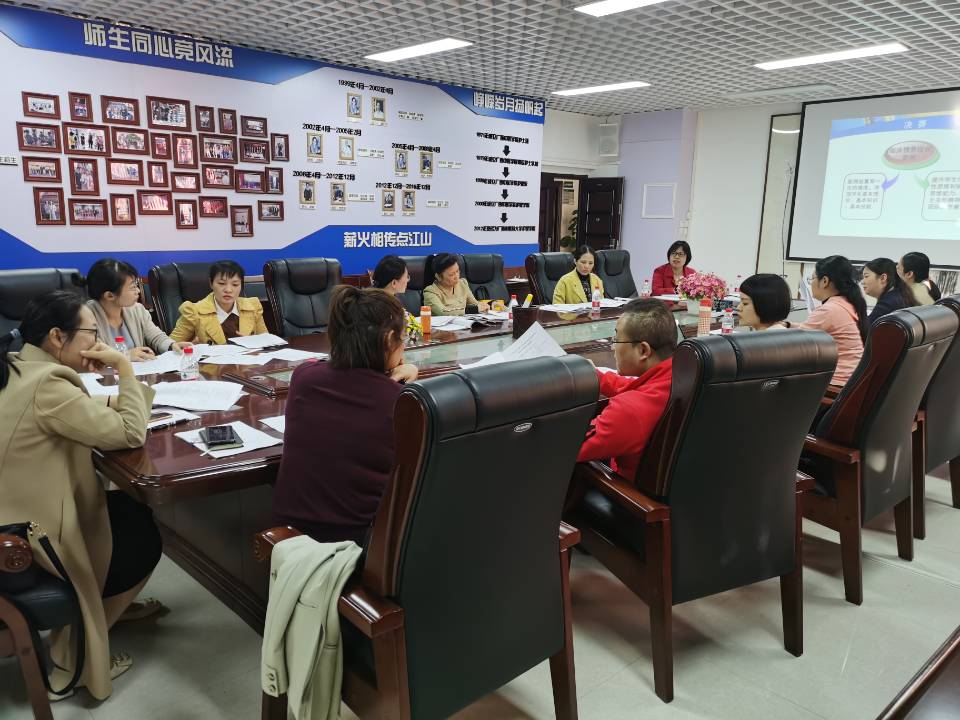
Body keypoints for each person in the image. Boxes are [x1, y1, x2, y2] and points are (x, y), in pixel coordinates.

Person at [0, 291, 162, 700]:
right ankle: (73, 657)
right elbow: (130, 433)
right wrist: (124, 367)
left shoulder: (19, 365)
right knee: (141, 536)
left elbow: (66, 407)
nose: (98, 343)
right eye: (92, 333)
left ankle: (100, 617)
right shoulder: (49, 384)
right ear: (58, 336)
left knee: (127, 514)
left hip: (11, 511)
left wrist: (112, 398)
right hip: (25, 535)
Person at [272, 287, 418, 544]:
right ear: (388, 340)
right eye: (402, 338)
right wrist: (404, 379)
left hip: (292, 534)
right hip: (355, 544)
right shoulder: (398, 401)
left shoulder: (303, 377)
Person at [577, 299, 677, 479]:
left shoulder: (629, 410)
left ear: (643, 350)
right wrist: (595, 376)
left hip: (626, 492)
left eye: (617, 340)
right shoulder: (682, 374)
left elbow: (565, 448)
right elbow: (636, 386)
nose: (612, 347)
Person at [85, 258, 190, 360]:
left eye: (136, 285)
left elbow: (155, 336)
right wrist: (126, 355)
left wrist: (171, 345)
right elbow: (92, 355)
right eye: (132, 287)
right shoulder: (85, 318)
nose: (138, 291)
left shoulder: (137, 309)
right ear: (109, 295)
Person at [790, 256, 867, 386]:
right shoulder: (846, 303)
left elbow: (795, 342)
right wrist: (788, 324)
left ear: (824, 281)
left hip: (835, 385)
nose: (811, 283)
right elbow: (806, 328)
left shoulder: (829, 310)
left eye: (812, 278)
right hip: (850, 381)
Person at [170, 260, 268, 344]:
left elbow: (267, 343)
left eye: (235, 284)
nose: (228, 290)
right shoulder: (193, 311)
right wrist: (192, 347)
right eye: (222, 283)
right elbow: (172, 346)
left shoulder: (252, 307)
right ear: (211, 283)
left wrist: (253, 343)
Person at [422, 253, 490, 315]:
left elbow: (474, 304)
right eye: (451, 275)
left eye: (457, 271)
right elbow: (443, 312)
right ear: (438, 277)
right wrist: (473, 310)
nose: (456, 276)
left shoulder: (462, 284)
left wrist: (484, 306)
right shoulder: (430, 292)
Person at [862, 257, 917, 323]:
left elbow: (865, 327)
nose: (862, 282)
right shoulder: (898, 295)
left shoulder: (887, 304)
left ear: (883, 278)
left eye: (866, 276)